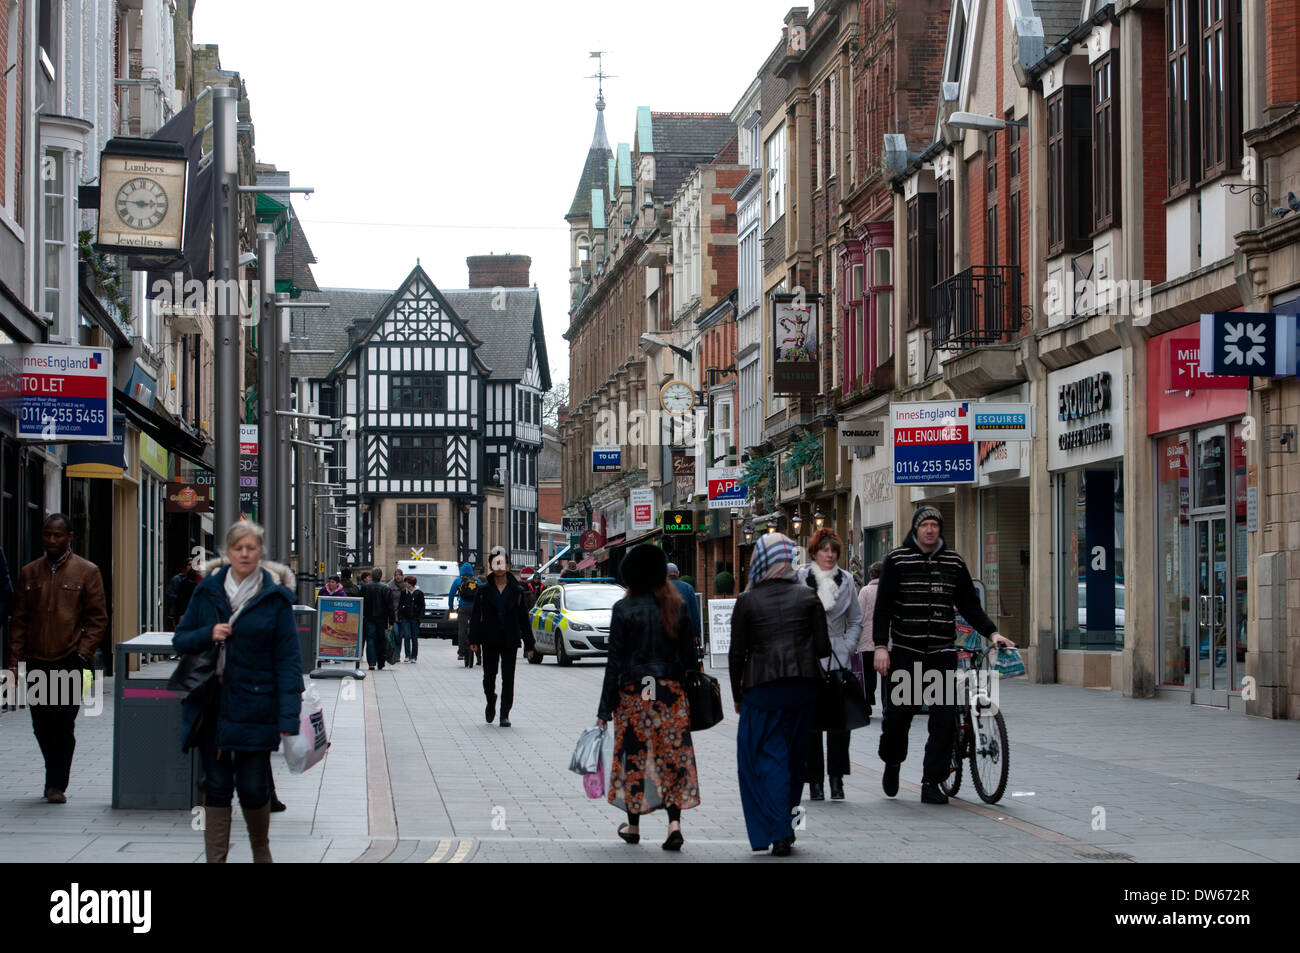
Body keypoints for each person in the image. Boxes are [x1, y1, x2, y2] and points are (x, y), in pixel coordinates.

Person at [172, 521, 302, 862]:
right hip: (212, 705)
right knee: (214, 786)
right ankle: (216, 859)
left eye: (251, 548)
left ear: (261, 553)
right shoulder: (207, 591)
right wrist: (208, 633)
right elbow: (180, 639)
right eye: (238, 548)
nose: (244, 554)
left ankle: (261, 849)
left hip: (257, 705)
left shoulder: (274, 600)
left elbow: (288, 661)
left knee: (253, 786)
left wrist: (289, 715)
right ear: (227, 553)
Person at [873, 506, 1014, 805]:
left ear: (940, 529)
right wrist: (881, 647)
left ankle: (931, 782)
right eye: (924, 524)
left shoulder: (953, 562)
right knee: (899, 717)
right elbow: (883, 607)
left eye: (935, 524)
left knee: (943, 721)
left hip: (941, 652)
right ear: (915, 528)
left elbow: (969, 605)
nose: (930, 529)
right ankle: (893, 762)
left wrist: (992, 633)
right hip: (908, 653)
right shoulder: (897, 560)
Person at [729, 533, 830, 856]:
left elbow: (736, 654)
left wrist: (736, 695)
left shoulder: (747, 600)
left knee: (764, 759)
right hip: (803, 687)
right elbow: (824, 647)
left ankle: (777, 829)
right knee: (795, 759)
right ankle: (790, 825)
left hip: (762, 688)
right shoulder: (807, 596)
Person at [596, 544, 701, 851]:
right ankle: (674, 824)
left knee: (635, 757)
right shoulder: (676, 606)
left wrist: (604, 708)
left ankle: (633, 826)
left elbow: (614, 662)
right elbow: (690, 660)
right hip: (669, 694)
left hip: (634, 694)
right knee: (672, 756)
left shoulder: (623, 609)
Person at [7, 515, 107, 804]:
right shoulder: (29, 573)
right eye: (47, 535)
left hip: (69, 659)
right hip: (37, 658)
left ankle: (55, 784)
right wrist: (13, 661)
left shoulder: (87, 572)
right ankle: (54, 772)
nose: (51, 540)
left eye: (57, 535)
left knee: (63, 723)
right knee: (42, 723)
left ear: (69, 537)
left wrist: (82, 653)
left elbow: (98, 618)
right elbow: (20, 620)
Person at [795, 528, 863, 802]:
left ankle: (836, 779)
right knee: (810, 723)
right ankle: (815, 782)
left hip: (836, 654)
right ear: (814, 552)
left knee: (838, 723)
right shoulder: (800, 578)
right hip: (807, 656)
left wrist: (847, 645)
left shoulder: (846, 580)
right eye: (825, 550)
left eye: (834, 550)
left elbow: (856, 619)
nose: (830, 554)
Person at [468, 547, 536, 727]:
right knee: (489, 676)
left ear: (507, 565)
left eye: (502, 562)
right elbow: (476, 616)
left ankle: (505, 713)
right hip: (489, 639)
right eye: (495, 562)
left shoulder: (517, 591)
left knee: (508, 677)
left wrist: (530, 645)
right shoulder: (483, 591)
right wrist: (473, 640)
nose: (499, 566)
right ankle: (491, 700)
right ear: (491, 566)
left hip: (510, 640)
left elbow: (524, 619)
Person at [857, 561, 884, 714]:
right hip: (887, 641)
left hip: (867, 639)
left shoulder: (865, 591)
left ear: (871, 575)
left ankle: (867, 703)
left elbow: (859, 615)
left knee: (867, 674)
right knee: (888, 674)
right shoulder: (889, 590)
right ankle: (888, 704)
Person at [361, 568, 396, 671]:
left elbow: (362, 602)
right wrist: (392, 620)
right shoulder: (386, 588)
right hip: (382, 618)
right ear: (381, 576)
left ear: (372, 575)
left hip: (369, 617)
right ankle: (381, 662)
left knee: (370, 639)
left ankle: (371, 663)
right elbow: (390, 606)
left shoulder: (365, 587)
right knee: (381, 640)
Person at [449, 563, 481, 666]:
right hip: (475, 608)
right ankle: (476, 648)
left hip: (463, 608)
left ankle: (461, 652)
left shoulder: (458, 581)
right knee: (475, 629)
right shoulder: (477, 581)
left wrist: (450, 608)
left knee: (462, 629)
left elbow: (451, 594)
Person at [666, 562, 702, 652]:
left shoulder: (660, 589)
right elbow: (694, 612)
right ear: (678, 573)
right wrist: (696, 633)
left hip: (667, 632)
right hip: (686, 632)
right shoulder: (688, 588)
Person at [400, 575, 423, 662]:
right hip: (406, 617)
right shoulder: (404, 592)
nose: (405, 584)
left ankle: (414, 656)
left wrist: (419, 618)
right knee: (406, 636)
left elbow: (422, 606)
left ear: (411, 584)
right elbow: (400, 604)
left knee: (414, 637)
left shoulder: (419, 593)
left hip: (414, 618)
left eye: (407, 582)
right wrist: (401, 615)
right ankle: (407, 655)